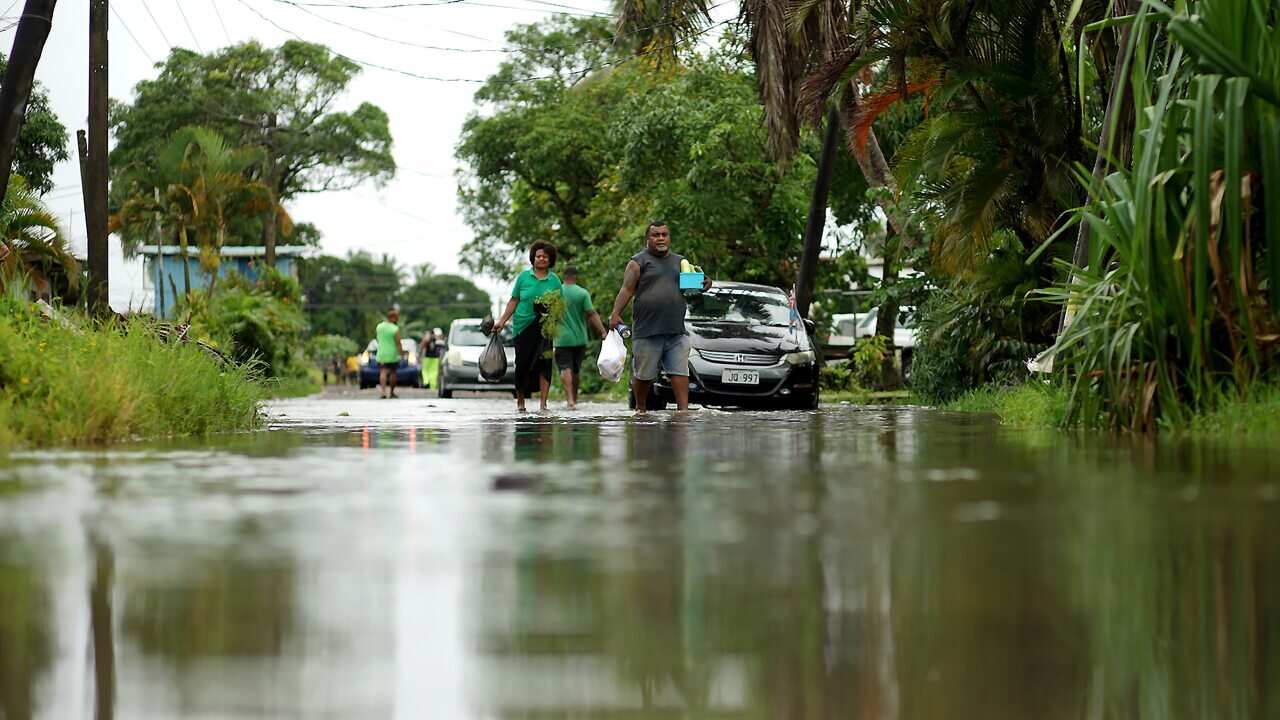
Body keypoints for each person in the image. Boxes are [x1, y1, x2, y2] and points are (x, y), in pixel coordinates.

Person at [609, 221, 712, 413]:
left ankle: (683, 411)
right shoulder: (638, 262)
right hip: (647, 330)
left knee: (680, 372)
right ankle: (640, 409)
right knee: (644, 375)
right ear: (648, 239)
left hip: (676, 330)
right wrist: (615, 313)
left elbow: (693, 287)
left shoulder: (680, 261)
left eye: (664, 234)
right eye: (656, 235)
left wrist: (706, 282)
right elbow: (626, 289)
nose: (661, 238)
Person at [493, 241, 562, 412]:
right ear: (533, 258)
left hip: (545, 328)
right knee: (522, 364)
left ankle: (543, 404)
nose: (541, 259)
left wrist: (550, 311)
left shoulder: (554, 280)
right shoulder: (523, 277)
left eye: (545, 256)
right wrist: (501, 321)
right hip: (522, 327)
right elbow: (514, 300)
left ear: (550, 259)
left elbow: (559, 305)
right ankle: (520, 402)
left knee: (545, 363)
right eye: (538, 256)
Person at [554, 266, 607, 409]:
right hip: (580, 339)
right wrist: (603, 331)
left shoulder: (556, 292)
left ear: (563, 277)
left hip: (561, 338)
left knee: (565, 368)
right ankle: (575, 399)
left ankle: (570, 399)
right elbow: (591, 314)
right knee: (576, 369)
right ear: (575, 276)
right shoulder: (582, 293)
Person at [374, 308, 404, 399]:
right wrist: (401, 354)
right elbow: (398, 343)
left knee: (382, 372)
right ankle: (391, 392)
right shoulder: (395, 329)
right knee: (393, 373)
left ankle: (383, 392)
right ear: (394, 318)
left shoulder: (379, 326)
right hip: (392, 355)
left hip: (381, 354)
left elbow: (378, 338)